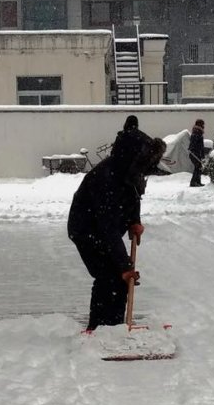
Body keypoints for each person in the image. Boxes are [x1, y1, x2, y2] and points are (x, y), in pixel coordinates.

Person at [68, 128, 166, 331]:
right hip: (86, 229)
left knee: (120, 278)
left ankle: (115, 326)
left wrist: (134, 221)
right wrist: (124, 266)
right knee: (108, 275)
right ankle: (98, 328)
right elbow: (108, 228)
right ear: (132, 156)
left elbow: (133, 196)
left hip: (105, 228)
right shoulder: (106, 179)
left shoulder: (129, 171)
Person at [188, 119, 206, 187]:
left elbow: (201, 146)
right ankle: (193, 182)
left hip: (197, 153)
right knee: (197, 167)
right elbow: (194, 144)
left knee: (199, 167)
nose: (203, 126)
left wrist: (202, 155)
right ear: (199, 124)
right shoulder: (196, 132)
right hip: (194, 153)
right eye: (202, 124)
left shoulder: (198, 132)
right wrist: (192, 150)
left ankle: (198, 182)